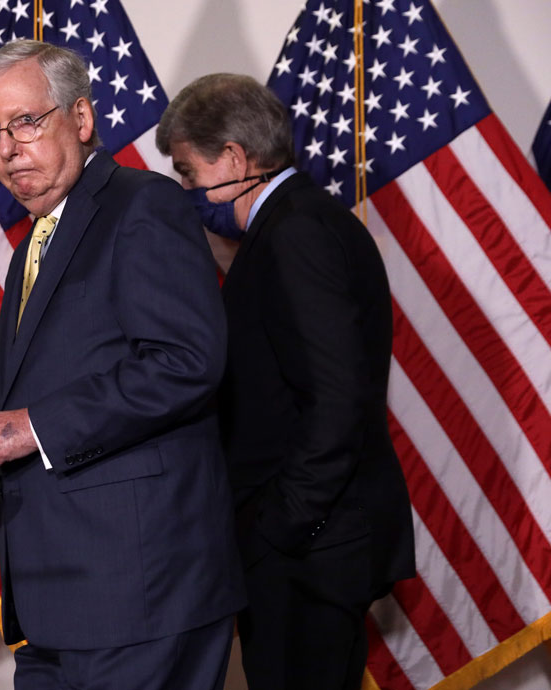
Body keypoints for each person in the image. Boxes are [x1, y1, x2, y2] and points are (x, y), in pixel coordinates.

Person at [0, 41, 244, 690]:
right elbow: (72, 366)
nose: (7, 147)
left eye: (25, 121)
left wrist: (32, 428)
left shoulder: (143, 205)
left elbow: (186, 361)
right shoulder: (36, 242)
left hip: (140, 590)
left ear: (80, 120)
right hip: (58, 599)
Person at [156, 72, 416, 689]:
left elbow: (336, 400)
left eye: (188, 171)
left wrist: (280, 529)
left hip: (308, 550)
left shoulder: (295, 234)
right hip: (309, 546)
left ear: (234, 159)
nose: (185, 187)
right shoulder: (291, 226)